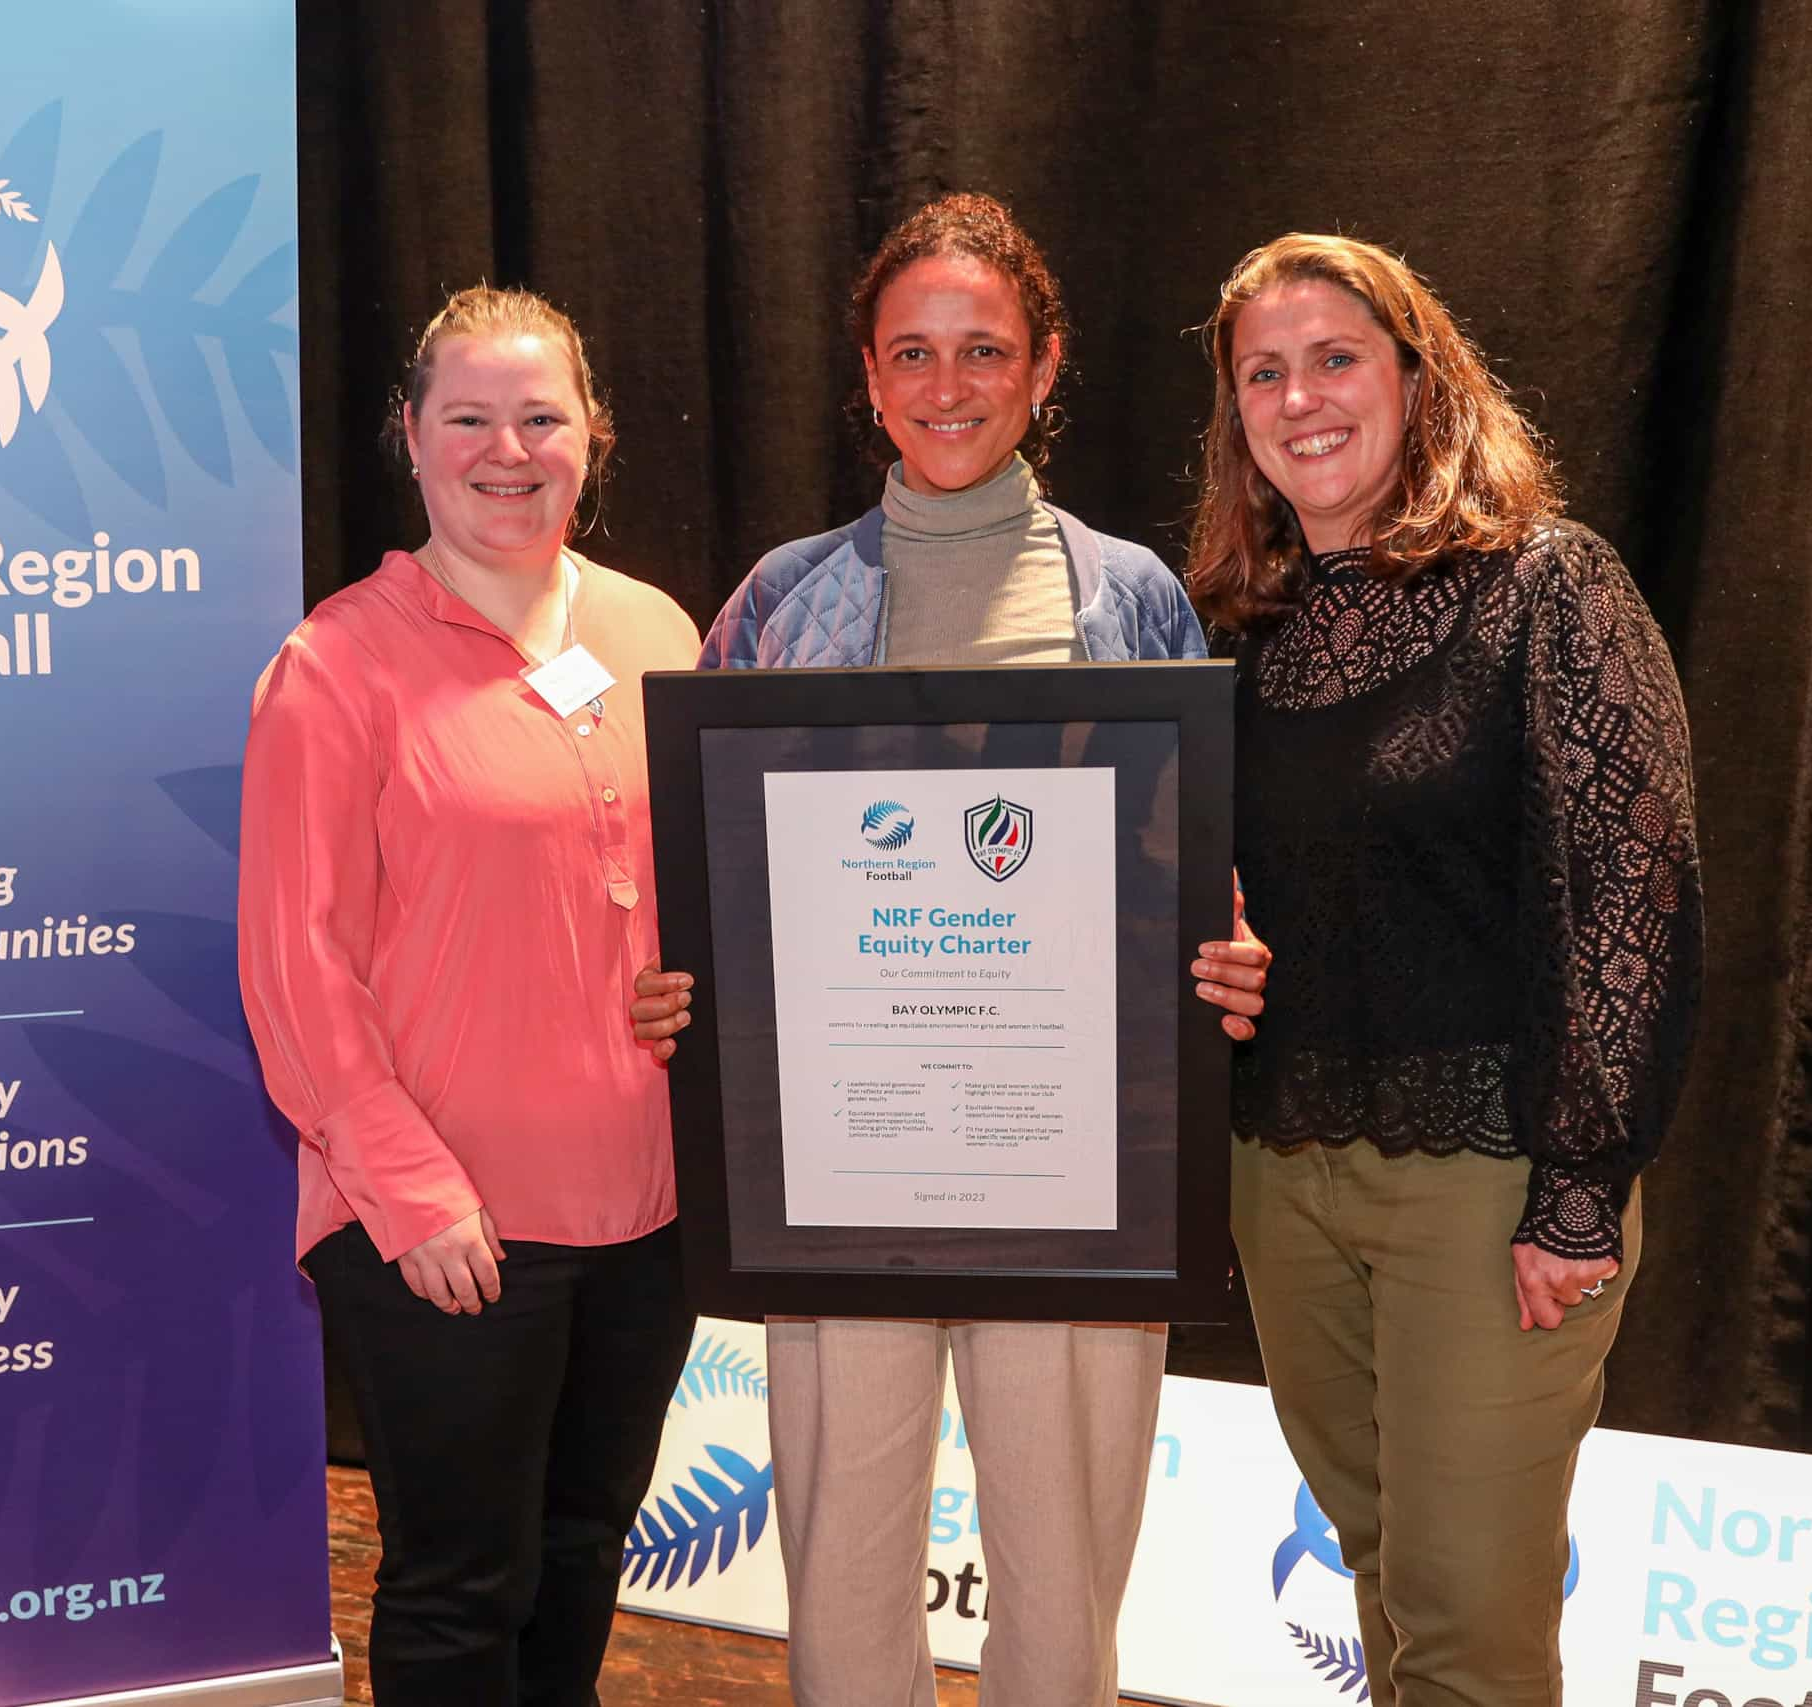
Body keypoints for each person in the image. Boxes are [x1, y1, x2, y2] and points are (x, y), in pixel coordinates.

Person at [631, 192, 1270, 1707]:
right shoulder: (782, 602)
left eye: (983, 348)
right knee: (843, 1567)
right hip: (839, 1172)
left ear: (1045, 366)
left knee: (1062, 1586)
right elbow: (716, 875)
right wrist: (681, 991)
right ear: (866, 375)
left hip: (1076, 1170)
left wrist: (1223, 964)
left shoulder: (1131, 597)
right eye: (912, 351)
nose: (948, 383)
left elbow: (1193, 875)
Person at [1186, 233, 1703, 1707]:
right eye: (1264, 374)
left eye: (1336, 358)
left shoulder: (1546, 590)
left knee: (1470, 1627)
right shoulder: (1241, 627)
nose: (1301, 399)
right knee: (1383, 1577)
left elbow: (1632, 897)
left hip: (1492, 1188)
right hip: (1281, 1173)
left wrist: (1580, 1184)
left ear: (1420, 376)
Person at [238, 284, 698, 1707]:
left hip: (648, 1209)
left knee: (579, 1554)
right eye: (472, 417)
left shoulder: (658, 634)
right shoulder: (336, 665)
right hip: (445, 1220)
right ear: (414, 438)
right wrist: (404, 1183)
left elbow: (693, 879)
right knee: (459, 1585)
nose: (510, 448)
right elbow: (293, 956)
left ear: (594, 435)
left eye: (542, 415)